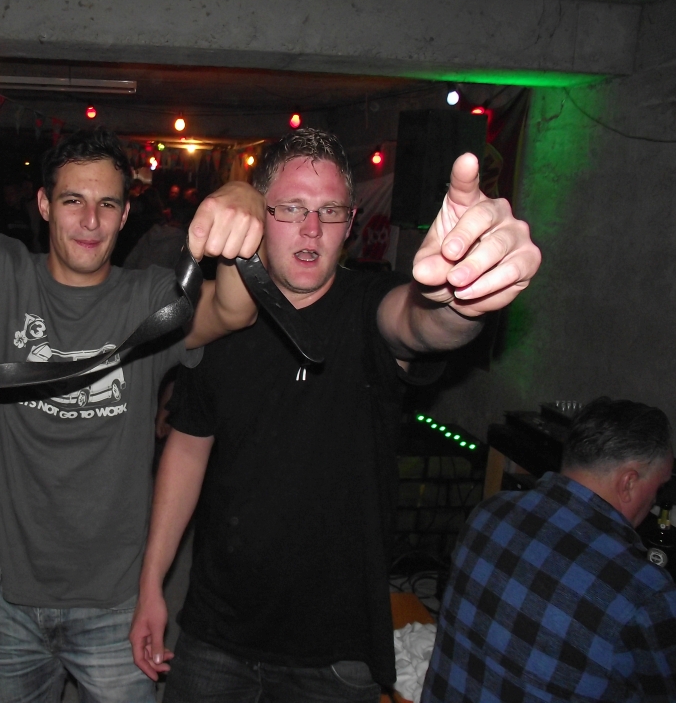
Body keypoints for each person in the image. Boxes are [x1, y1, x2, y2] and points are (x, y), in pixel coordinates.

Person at [0, 50, 265, 702]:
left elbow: (234, 309)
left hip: (115, 603)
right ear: (43, 204)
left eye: (107, 204)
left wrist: (245, 202)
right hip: (8, 597)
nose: (90, 221)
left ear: (126, 215)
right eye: (73, 201)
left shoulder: (149, 298)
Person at [129, 128, 542, 702]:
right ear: (261, 216)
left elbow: (420, 322)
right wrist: (151, 583)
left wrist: (459, 299)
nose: (311, 229)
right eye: (292, 208)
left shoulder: (368, 307)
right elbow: (187, 446)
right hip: (216, 631)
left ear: (350, 225)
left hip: (334, 655)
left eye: (330, 212)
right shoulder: (224, 317)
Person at [421, 397, 676, 702]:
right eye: (658, 488)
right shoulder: (644, 590)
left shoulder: (489, 511)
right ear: (629, 482)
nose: (655, 502)